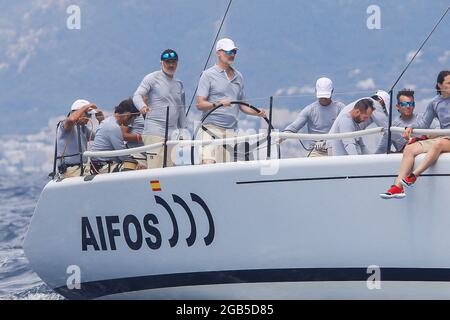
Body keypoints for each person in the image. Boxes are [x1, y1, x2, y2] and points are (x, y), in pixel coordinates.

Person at [380, 70, 450, 199]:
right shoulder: (435, 103)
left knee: (438, 143)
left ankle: (414, 176)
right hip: (446, 138)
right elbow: (424, 124)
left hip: (444, 140)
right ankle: (397, 188)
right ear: (439, 85)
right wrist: (410, 127)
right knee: (410, 148)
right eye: (449, 83)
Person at [196, 38, 266, 164]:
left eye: (234, 52)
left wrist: (257, 112)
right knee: (208, 163)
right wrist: (217, 104)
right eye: (228, 52)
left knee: (226, 168)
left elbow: (242, 105)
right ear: (218, 53)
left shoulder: (239, 76)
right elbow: (200, 104)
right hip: (210, 128)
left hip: (231, 131)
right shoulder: (207, 75)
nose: (232, 54)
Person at [133, 49, 186, 169]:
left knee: (171, 169)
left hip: (173, 134)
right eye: (167, 62)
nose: (171, 65)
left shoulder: (179, 84)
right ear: (161, 63)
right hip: (155, 131)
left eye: (173, 62)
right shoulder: (152, 78)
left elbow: (181, 109)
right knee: (156, 168)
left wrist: (183, 131)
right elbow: (137, 95)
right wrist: (142, 107)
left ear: (177, 63)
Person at [283, 77, 345, 157]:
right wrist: (281, 136)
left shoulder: (340, 108)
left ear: (332, 91)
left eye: (325, 96)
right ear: (316, 91)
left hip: (335, 149)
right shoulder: (310, 109)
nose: (323, 99)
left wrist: (327, 141)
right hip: (316, 151)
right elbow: (294, 127)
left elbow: (345, 128)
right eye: (321, 96)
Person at [327, 90, 390, 155]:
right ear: (357, 112)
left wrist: (372, 158)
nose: (366, 120)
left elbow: (362, 146)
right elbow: (349, 145)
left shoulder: (356, 124)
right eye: (365, 117)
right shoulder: (346, 121)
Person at [55, 99, 102, 178]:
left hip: (82, 168)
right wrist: (85, 107)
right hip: (70, 170)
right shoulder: (64, 125)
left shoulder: (83, 129)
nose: (89, 118)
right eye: (88, 115)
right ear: (78, 113)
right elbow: (71, 119)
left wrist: (101, 121)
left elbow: (100, 137)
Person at [90, 100, 137, 174]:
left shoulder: (109, 122)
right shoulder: (113, 127)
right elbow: (122, 154)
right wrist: (136, 162)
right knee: (135, 166)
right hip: (104, 166)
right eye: (134, 118)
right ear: (128, 115)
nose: (133, 122)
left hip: (100, 163)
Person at [121, 98, 146, 168]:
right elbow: (123, 135)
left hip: (148, 155)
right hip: (135, 154)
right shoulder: (135, 113)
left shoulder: (154, 114)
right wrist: (142, 137)